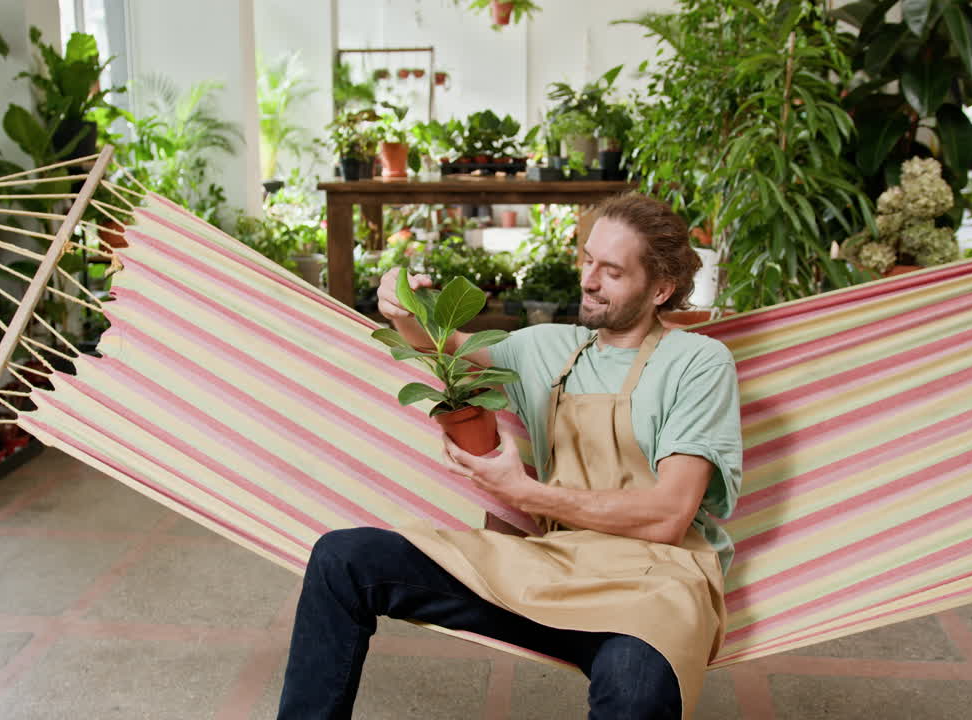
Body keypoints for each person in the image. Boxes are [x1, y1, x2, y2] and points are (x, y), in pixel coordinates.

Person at [278, 193, 743, 719]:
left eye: (611, 271)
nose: (588, 280)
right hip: (552, 570)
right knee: (343, 559)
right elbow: (439, 345)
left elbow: (668, 515)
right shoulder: (548, 347)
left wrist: (521, 492)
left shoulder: (699, 364)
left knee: (636, 687)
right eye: (587, 259)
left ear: (660, 289)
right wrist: (399, 304)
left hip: (652, 588)